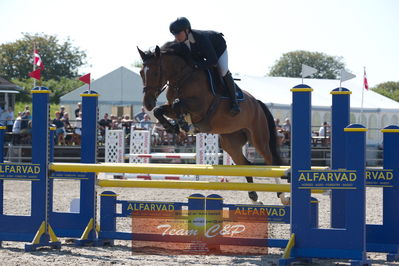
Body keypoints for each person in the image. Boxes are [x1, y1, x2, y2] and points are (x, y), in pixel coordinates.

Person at [169, 17, 240, 116]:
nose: (176, 37)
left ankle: (234, 102)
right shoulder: (179, 43)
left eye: (178, 33)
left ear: (187, 30)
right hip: (200, 52)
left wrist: (197, 66)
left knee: (222, 70)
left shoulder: (201, 38)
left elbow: (213, 60)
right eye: (174, 34)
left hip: (217, 47)